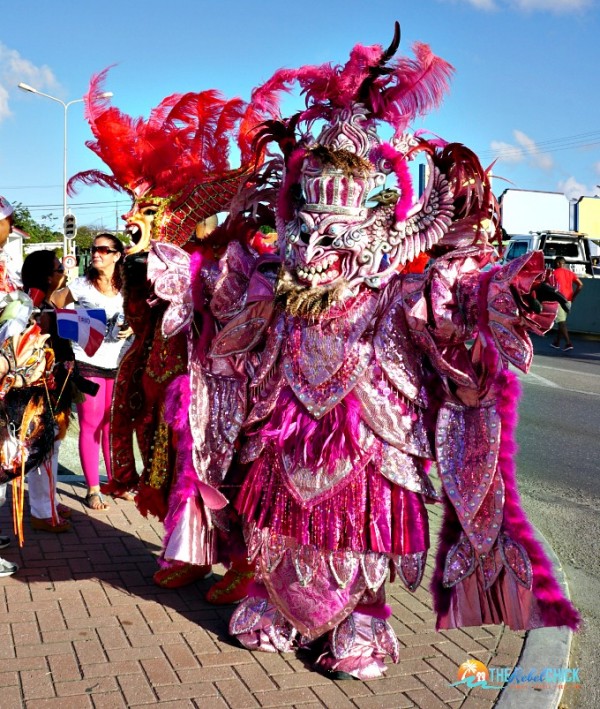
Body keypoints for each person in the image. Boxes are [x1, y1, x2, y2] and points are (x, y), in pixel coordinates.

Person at [51, 234, 131, 510]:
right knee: (91, 423)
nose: (96, 254)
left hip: (119, 362)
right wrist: (78, 326)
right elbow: (55, 301)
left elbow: (140, 313)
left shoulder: (127, 287)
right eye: (94, 249)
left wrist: (132, 326)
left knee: (113, 425)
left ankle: (115, 483)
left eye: (103, 250)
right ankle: (93, 489)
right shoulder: (82, 284)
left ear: (117, 256)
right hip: (88, 361)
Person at [21, 250, 74, 532]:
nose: (60, 273)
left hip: (55, 387)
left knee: (50, 447)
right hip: (39, 391)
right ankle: (42, 512)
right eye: (57, 269)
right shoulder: (30, 303)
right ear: (45, 275)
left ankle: (49, 501)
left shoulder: (46, 300)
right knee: (42, 449)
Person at [550, 256, 583, 351]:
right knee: (562, 321)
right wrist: (573, 297)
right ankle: (556, 342)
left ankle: (568, 343)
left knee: (561, 322)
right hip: (568, 300)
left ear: (557, 263)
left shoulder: (553, 273)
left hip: (559, 300)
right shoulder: (570, 273)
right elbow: (580, 285)